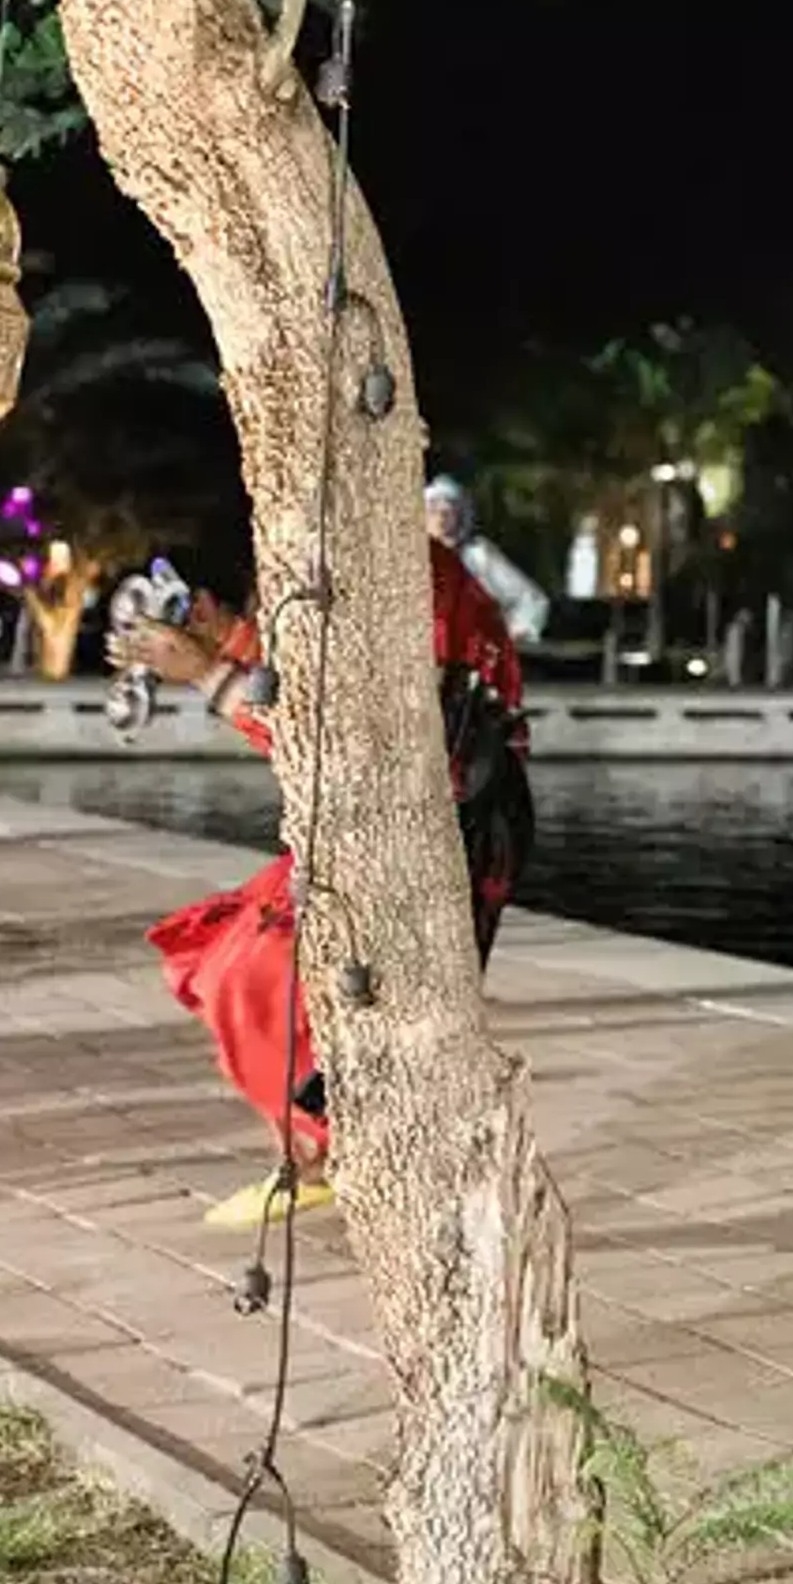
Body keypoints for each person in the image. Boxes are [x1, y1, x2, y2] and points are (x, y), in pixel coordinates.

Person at [121, 532, 535, 1229]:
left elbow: (334, 745)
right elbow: (311, 704)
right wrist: (225, 646)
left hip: (444, 822)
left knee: (261, 975)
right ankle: (313, 1153)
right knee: (222, 954)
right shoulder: (348, 554)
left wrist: (206, 672)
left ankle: (348, 1157)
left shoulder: (389, 568)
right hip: (393, 815)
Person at [423, 473, 552, 645]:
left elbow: (531, 601)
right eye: (433, 510)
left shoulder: (477, 555)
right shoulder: (405, 559)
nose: (441, 517)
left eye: (447, 511)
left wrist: (503, 637)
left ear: (460, 515)